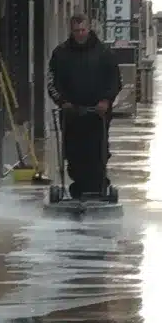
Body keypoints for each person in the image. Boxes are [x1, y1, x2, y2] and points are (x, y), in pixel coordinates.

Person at [47, 13, 121, 200]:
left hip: (98, 113)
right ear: (71, 31)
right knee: (74, 153)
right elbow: (52, 83)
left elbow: (115, 81)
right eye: (76, 31)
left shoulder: (104, 53)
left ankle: (97, 187)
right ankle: (77, 187)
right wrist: (62, 102)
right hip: (72, 112)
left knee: (97, 151)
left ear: (89, 29)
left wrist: (106, 100)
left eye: (83, 30)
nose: (80, 34)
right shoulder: (60, 54)